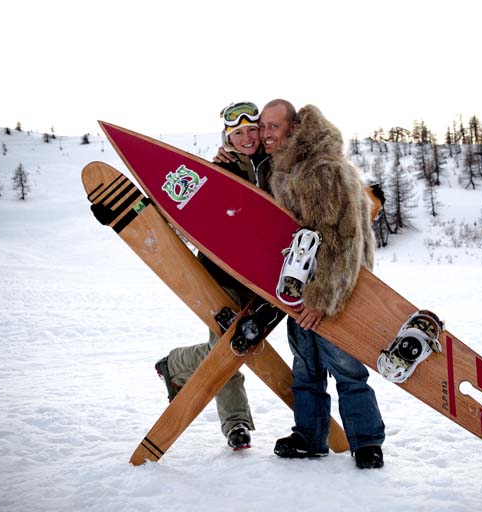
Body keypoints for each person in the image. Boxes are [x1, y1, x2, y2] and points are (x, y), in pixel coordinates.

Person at [260, 99, 386, 469]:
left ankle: (366, 443)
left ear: (295, 127)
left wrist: (321, 297)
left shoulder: (320, 169)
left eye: (273, 127)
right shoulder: (287, 168)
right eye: (263, 126)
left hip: (335, 289)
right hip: (304, 288)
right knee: (306, 367)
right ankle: (310, 436)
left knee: (346, 367)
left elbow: (342, 239)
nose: (266, 134)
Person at [154, 101, 271, 450]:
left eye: (252, 130)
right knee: (228, 348)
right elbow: (187, 211)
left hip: (265, 276)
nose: (247, 138)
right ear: (228, 137)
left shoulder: (277, 165)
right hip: (220, 274)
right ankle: (236, 424)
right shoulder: (216, 170)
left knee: (233, 344)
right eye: (238, 133)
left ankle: (176, 363)